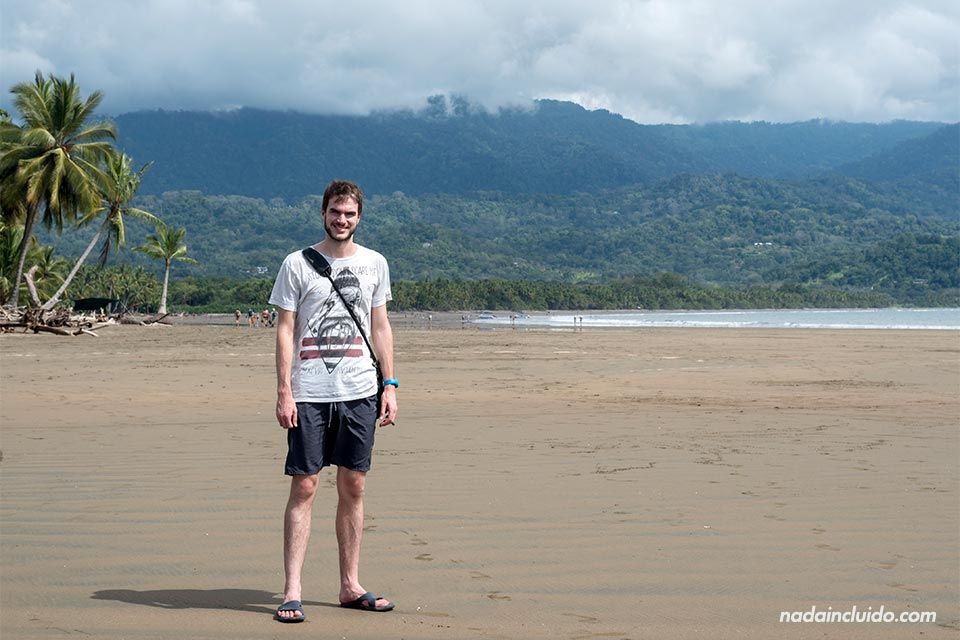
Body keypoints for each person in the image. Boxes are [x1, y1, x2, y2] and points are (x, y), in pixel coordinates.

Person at [269, 180, 398, 623]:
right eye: (335, 212)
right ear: (322, 213)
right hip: (308, 392)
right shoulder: (296, 264)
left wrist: (391, 384)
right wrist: (283, 389)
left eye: (349, 213)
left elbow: (380, 325)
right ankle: (292, 590)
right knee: (305, 485)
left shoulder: (375, 264)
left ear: (359, 217)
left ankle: (350, 585)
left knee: (354, 486)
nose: (341, 220)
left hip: (361, 391)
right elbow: (285, 328)